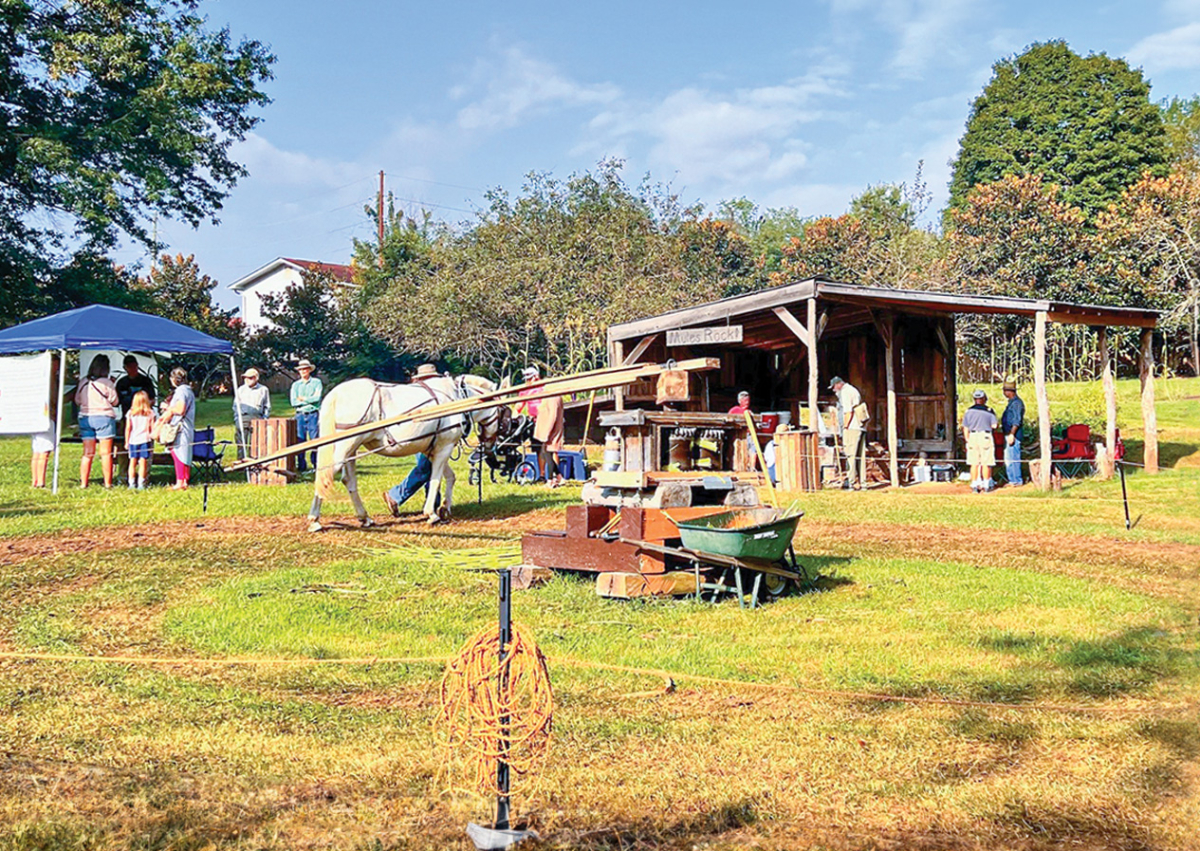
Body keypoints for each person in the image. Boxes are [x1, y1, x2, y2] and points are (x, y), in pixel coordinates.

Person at [382, 364, 442, 516]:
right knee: (425, 469)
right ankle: (395, 496)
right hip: (422, 437)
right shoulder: (416, 395)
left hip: (432, 436)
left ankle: (433, 503)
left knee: (432, 468)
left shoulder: (435, 395)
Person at [76, 354, 120, 488]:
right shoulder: (107, 383)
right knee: (106, 453)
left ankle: (84, 483)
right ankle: (107, 483)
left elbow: (77, 400)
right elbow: (115, 401)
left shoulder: (84, 381)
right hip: (103, 417)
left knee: (87, 453)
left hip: (85, 417)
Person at [114, 354, 156, 486]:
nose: (133, 369)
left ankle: (144, 478)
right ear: (125, 368)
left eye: (134, 366)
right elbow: (116, 401)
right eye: (130, 367)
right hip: (127, 418)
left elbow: (153, 399)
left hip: (144, 418)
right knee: (124, 452)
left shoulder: (145, 381)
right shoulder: (122, 383)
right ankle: (124, 476)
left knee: (145, 456)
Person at [160, 367, 196, 490]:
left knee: (178, 454)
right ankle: (184, 480)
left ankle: (180, 482)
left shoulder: (181, 391)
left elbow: (180, 410)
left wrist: (168, 407)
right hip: (187, 426)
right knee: (185, 454)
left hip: (180, 427)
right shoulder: (188, 390)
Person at [831, 376, 869, 490]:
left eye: (833, 387)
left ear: (838, 384)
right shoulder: (853, 389)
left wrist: (845, 426)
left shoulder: (845, 392)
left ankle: (851, 483)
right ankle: (863, 483)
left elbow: (848, 412)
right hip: (860, 427)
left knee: (850, 455)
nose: (833, 390)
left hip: (852, 427)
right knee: (860, 456)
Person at [30, 355, 60, 489]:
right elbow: (52, 397)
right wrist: (53, 410)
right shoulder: (50, 379)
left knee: (37, 450)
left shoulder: (38, 379)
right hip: (46, 416)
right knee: (44, 450)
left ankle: (35, 480)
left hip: (35, 416)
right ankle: (40, 481)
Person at [963, 389, 999, 493]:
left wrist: (967, 440)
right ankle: (987, 484)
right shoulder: (989, 410)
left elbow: (965, 428)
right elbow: (994, 425)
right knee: (986, 462)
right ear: (984, 399)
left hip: (973, 436)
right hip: (985, 436)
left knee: (974, 462)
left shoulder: (968, 411)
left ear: (975, 399)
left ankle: (975, 484)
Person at [290, 358, 322, 473]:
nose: (303, 371)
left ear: (309, 370)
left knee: (315, 440)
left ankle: (316, 464)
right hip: (300, 415)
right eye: (301, 369)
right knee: (300, 440)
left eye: (305, 369)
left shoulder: (316, 382)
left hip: (313, 414)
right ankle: (301, 465)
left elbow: (317, 398)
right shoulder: (295, 385)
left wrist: (303, 399)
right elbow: (293, 402)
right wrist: (309, 400)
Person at [233, 367, 270, 459]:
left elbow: (267, 405)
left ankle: (256, 461)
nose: (247, 380)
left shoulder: (263, 389)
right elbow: (235, 405)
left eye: (250, 378)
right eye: (245, 378)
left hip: (257, 417)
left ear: (256, 378)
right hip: (243, 417)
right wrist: (237, 418)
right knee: (242, 442)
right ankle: (242, 462)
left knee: (256, 441)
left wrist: (264, 419)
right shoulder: (240, 390)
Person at [124, 390, 156, 490]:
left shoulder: (130, 413)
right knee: (143, 463)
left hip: (133, 440)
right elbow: (152, 428)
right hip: (145, 440)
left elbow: (128, 428)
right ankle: (141, 483)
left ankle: (131, 483)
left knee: (132, 462)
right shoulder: (150, 413)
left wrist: (126, 441)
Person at [1000, 377, 1025, 486]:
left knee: (1013, 457)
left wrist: (1012, 434)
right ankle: (1012, 479)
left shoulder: (1016, 404)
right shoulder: (1012, 403)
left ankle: (1016, 480)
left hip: (1013, 434)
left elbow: (1016, 420)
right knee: (1009, 457)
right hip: (1009, 432)